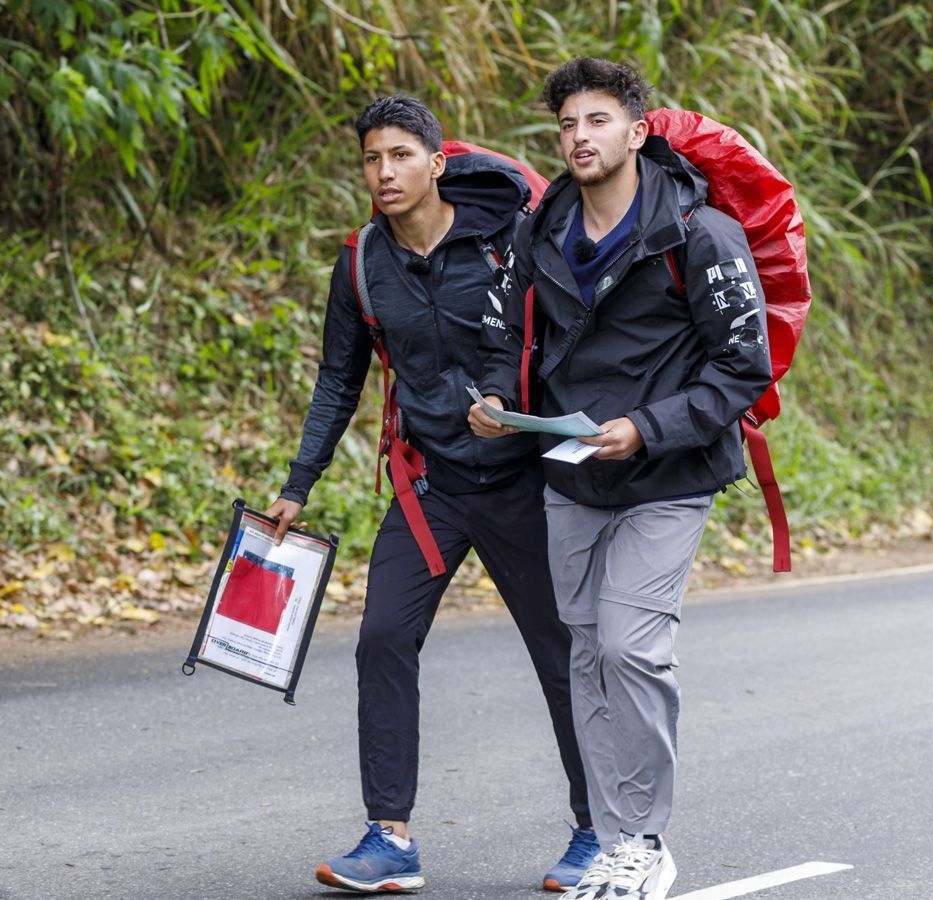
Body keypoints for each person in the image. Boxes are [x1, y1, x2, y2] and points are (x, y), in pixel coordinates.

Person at [264, 95, 596, 894]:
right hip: (430, 486)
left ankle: (598, 829)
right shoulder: (359, 265)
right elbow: (337, 380)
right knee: (381, 639)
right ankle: (389, 839)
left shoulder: (508, 240)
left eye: (401, 156)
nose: (385, 172)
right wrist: (296, 486)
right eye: (373, 159)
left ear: (437, 162)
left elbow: (563, 332)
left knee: (562, 658)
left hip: (521, 482)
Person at [470, 59, 773, 900]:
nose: (579, 137)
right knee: (587, 656)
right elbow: (507, 331)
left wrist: (646, 426)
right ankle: (611, 840)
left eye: (598, 121)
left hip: (669, 474)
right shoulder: (541, 230)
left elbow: (741, 369)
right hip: (572, 474)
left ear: (637, 132)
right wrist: (497, 398)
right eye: (567, 124)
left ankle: (645, 839)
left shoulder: (701, 235)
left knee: (631, 648)